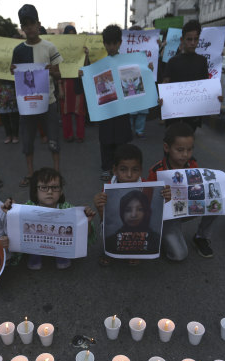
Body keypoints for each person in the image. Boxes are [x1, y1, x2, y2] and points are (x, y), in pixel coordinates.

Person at [148, 122, 225, 259]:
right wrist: (161, 196)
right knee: (178, 255)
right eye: (180, 150)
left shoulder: (192, 164)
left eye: (189, 150)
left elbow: (203, 188)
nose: (185, 155)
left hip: (188, 208)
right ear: (167, 147)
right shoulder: (156, 171)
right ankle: (161, 234)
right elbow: (147, 201)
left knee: (216, 202)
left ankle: (201, 236)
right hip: (167, 217)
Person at [11, 4, 63, 187]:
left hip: (48, 101)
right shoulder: (18, 51)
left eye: (32, 23)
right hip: (27, 104)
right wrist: (13, 71)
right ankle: (30, 174)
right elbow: (16, 75)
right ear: (22, 28)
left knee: (54, 139)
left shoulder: (49, 47)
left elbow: (59, 74)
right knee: (27, 140)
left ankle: (56, 173)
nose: (29, 27)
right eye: (25, 24)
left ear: (38, 24)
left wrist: (51, 71)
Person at [94, 144, 170, 265]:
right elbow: (105, 219)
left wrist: (165, 197)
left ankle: (135, 251)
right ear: (115, 170)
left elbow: (157, 208)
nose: (129, 175)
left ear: (140, 170)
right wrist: (99, 206)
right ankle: (109, 251)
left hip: (141, 227)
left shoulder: (147, 187)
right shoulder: (109, 189)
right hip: (117, 227)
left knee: (143, 230)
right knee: (107, 229)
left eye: (135, 170)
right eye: (123, 169)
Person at [15, 167, 96, 270]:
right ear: (35, 191)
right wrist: (10, 210)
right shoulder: (27, 208)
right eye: (44, 187)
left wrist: (86, 222)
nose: (49, 191)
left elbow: (86, 235)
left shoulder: (68, 209)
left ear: (61, 191)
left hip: (59, 242)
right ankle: (35, 255)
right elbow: (15, 225)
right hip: (36, 241)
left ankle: (62, 255)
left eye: (55, 187)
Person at [90, 25, 133, 181]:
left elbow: (134, 81)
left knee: (122, 137)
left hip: (122, 108)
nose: (112, 47)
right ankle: (107, 167)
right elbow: (91, 83)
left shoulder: (127, 62)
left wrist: (146, 69)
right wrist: (83, 74)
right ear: (104, 44)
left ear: (120, 43)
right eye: (108, 44)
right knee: (106, 138)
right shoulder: (99, 65)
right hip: (106, 108)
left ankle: (121, 165)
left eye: (115, 43)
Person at [162, 20, 208, 131]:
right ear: (182, 40)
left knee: (188, 139)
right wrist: (162, 97)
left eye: (195, 39)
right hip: (174, 113)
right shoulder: (172, 61)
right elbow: (165, 83)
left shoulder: (202, 61)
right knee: (173, 139)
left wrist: (215, 97)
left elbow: (206, 86)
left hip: (193, 112)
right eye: (189, 39)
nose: (193, 42)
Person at [104, 190, 161, 255]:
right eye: (128, 210)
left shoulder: (156, 241)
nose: (133, 215)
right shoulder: (110, 242)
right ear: (122, 213)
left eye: (140, 209)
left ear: (146, 212)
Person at [58, 25, 88, 143]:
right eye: (69, 34)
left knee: (80, 111)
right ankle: (68, 135)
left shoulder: (81, 49)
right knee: (65, 111)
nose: (71, 37)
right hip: (65, 84)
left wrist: (86, 55)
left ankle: (80, 135)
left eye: (73, 34)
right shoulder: (60, 51)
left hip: (78, 83)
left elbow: (85, 67)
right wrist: (60, 87)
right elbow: (58, 69)